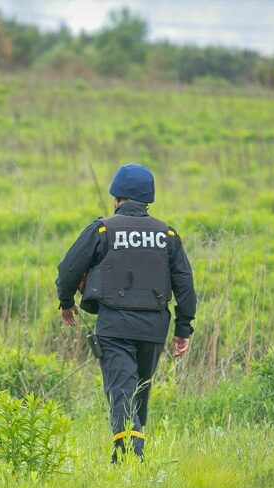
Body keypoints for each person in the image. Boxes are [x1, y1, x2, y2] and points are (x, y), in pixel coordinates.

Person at [56, 163, 196, 463]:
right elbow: (185, 285)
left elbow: (68, 269)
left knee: (121, 389)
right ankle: (133, 453)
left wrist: (67, 302)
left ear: (116, 195)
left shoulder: (103, 229)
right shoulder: (167, 235)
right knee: (139, 391)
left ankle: (127, 457)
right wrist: (183, 330)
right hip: (154, 330)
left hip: (115, 327)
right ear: (148, 198)